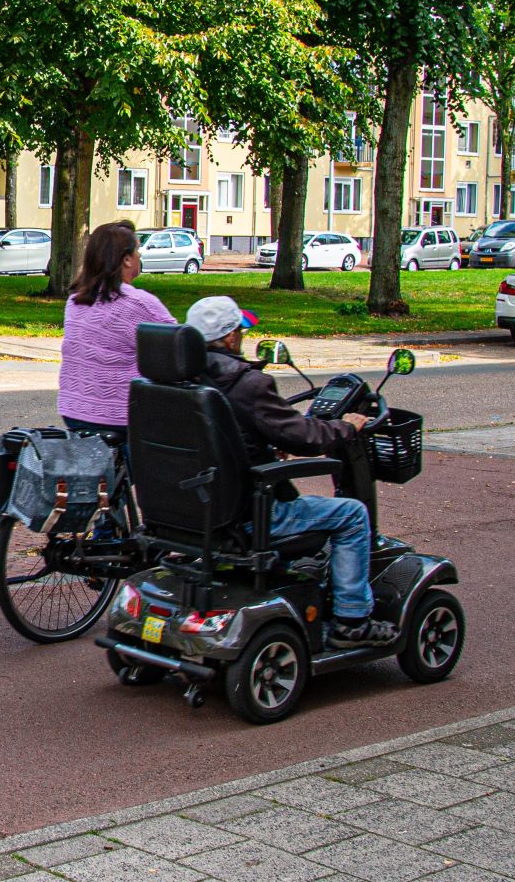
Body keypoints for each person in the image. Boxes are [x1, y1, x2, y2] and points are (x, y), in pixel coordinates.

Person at [185, 295, 399, 649]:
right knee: (352, 515)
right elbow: (305, 436)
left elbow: (220, 438)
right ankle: (351, 618)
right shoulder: (248, 385)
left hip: (194, 513)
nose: (242, 335)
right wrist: (347, 427)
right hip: (244, 517)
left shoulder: (177, 383)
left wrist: (264, 446)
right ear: (229, 338)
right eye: (240, 329)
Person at [58, 221, 176, 437]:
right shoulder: (139, 303)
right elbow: (178, 347)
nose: (140, 256)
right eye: (137, 251)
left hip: (73, 410)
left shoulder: (76, 300)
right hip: (118, 415)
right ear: (127, 259)